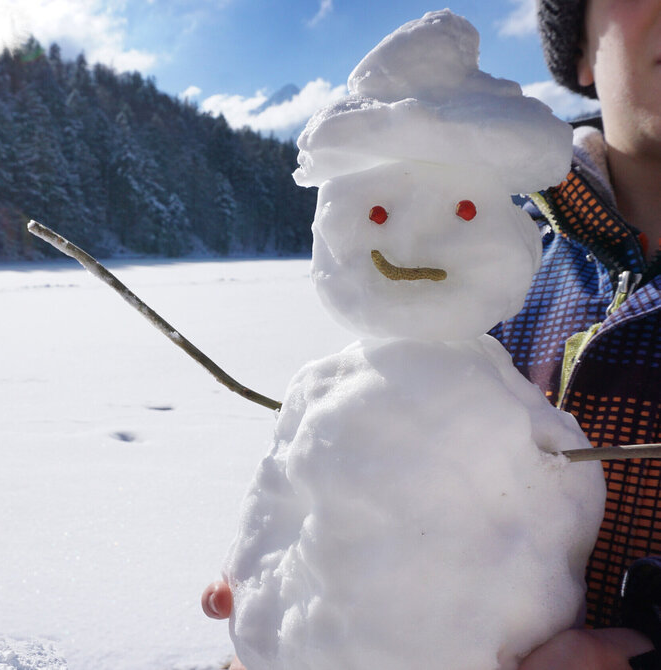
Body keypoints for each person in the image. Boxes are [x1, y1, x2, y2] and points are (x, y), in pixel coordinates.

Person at [202, 0, 661, 667]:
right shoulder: (493, 281)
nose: (418, 241)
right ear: (580, 46)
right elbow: (287, 491)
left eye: (462, 213)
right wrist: (269, 607)